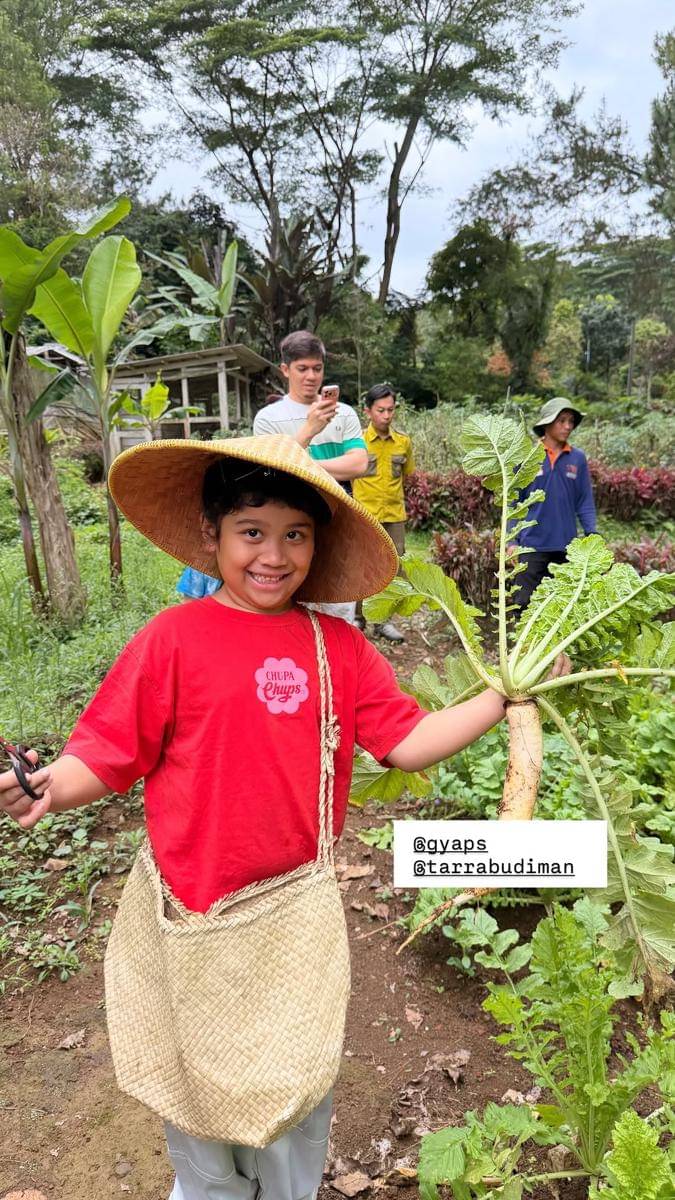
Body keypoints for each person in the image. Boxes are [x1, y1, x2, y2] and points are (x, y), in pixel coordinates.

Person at [0, 432, 531, 1200]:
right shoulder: (172, 639)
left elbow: (407, 743)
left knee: (293, 1103)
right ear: (212, 537)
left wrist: (498, 698)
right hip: (189, 910)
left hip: (292, 920)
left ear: (316, 545)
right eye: (251, 533)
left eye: (295, 536)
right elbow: (110, 750)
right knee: (197, 1103)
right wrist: (50, 786)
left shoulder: (337, 646)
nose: (272, 556)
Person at [253, 330, 368, 625]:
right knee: (295, 600)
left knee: (340, 602)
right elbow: (270, 473)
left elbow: (358, 463)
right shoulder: (268, 418)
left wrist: (302, 463)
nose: (311, 376)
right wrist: (308, 430)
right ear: (285, 370)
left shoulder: (343, 414)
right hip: (288, 523)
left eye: (317, 368)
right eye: (302, 368)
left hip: (337, 518)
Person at [512, 398, 597, 611]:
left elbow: (584, 500)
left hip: (566, 547)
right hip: (531, 545)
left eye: (571, 421)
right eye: (562, 421)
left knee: (560, 609)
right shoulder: (528, 457)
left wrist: (592, 534)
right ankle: (525, 646)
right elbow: (514, 501)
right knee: (524, 605)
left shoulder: (577, 458)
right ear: (547, 424)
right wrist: (511, 540)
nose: (568, 426)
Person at [352, 383, 414, 643]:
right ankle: (357, 619)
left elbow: (407, 477)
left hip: (394, 516)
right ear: (368, 411)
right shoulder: (357, 443)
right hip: (365, 516)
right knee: (361, 569)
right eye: (381, 410)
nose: (386, 416)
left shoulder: (403, 443)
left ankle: (383, 622)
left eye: (390, 410)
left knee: (392, 569)